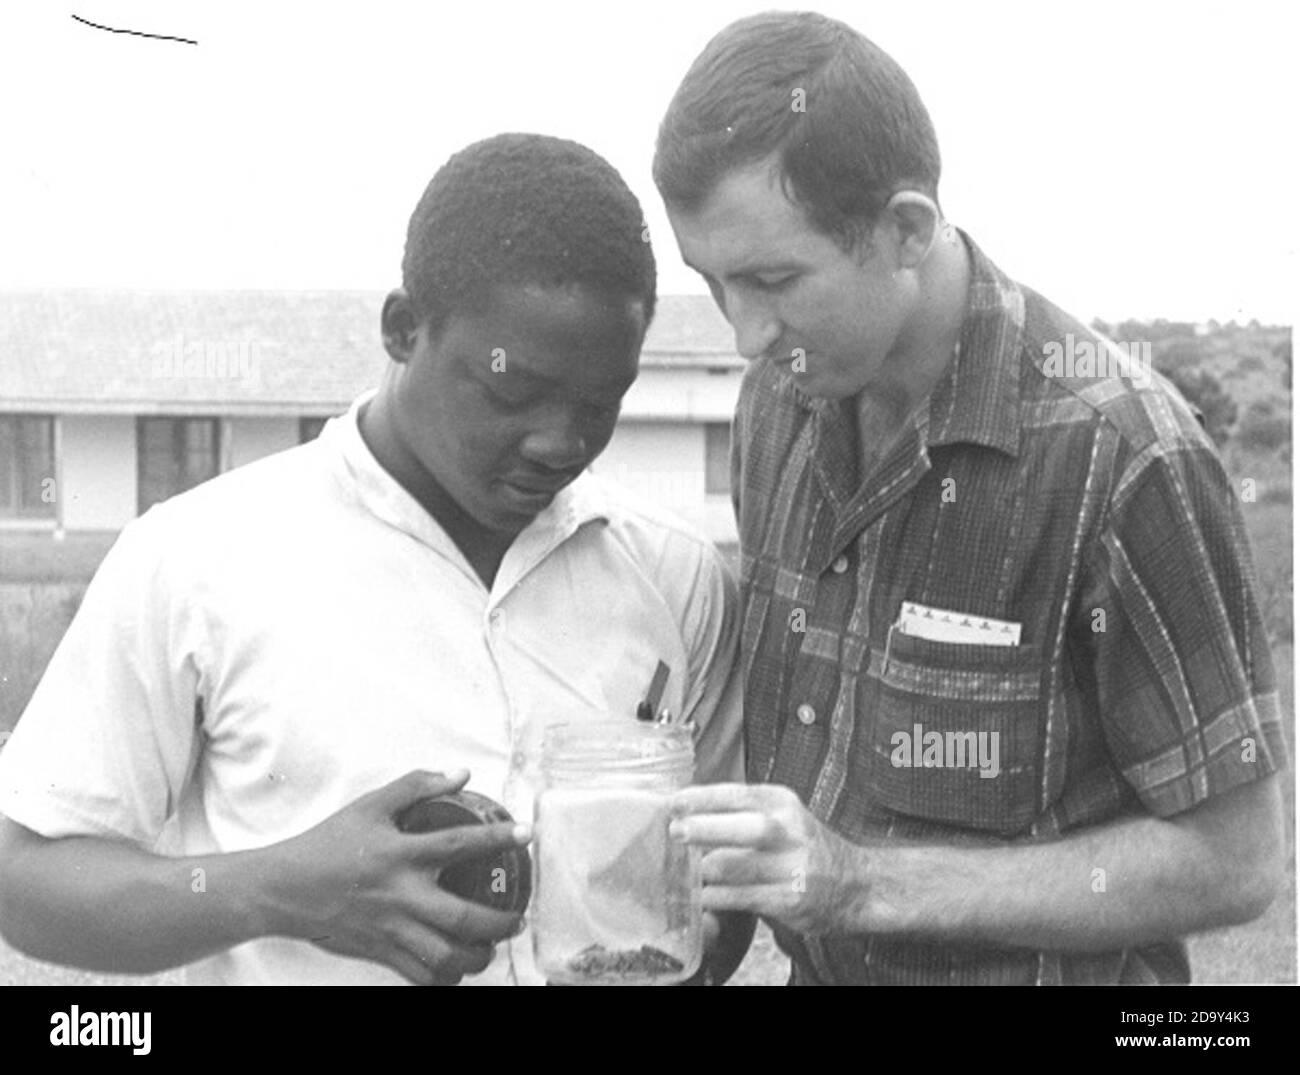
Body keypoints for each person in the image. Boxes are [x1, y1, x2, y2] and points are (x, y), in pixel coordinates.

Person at [0, 133, 749, 986]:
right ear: (402, 329)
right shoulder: (200, 558)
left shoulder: (677, 578)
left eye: (600, 405)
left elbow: (718, 900)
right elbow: (26, 878)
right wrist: (274, 892)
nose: (560, 441)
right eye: (510, 393)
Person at [654, 11, 1287, 985]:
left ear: (906, 229)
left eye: (773, 279)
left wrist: (861, 883)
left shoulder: (1125, 455)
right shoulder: (776, 405)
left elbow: (1235, 860)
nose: (744, 335)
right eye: (713, 282)